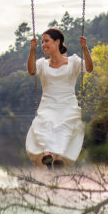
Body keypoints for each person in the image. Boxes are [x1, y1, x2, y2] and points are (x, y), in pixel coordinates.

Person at [26, 28, 93, 168]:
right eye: (42, 41)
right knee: (45, 123)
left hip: (68, 104)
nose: (43, 44)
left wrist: (85, 49)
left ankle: (59, 158)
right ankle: (47, 155)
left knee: (65, 125)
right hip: (48, 104)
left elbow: (89, 68)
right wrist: (32, 50)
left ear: (57, 42)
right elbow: (31, 71)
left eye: (46, 41)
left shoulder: (73, 61)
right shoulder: (42, 64)